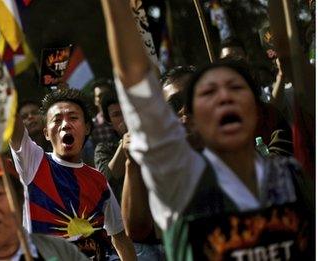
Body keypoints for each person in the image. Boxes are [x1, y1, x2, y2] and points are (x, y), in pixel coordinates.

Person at [100, 0, 313, 259]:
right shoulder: (178, 180)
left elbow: (289, 55)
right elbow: (134, 75)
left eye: (236, 89)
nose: (224, 98)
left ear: (257, 109)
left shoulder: (290, 173)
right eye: (209, 93)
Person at [10, 88, 136, 260]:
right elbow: (9, 120)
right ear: (46, 133)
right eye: (57, 120)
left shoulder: (98, 180)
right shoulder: (33, 163)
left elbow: (120, 239)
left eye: (73, 118)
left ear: (87, 128)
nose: (65, 124)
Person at [94, 91, 128, 202]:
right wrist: (125, 140)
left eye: (127, 111)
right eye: (116, 115)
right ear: (109, 121)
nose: (124, 118)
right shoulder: (103, 149)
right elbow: (108, 180)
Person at [90, 78, 117, 146]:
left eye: (106, 94)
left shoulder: (125, 115)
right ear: (95, 101)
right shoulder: (92, 127)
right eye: (100, 96)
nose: (104, 97)